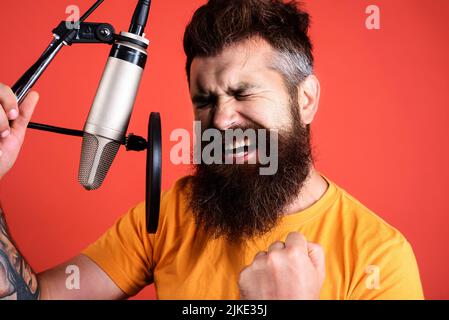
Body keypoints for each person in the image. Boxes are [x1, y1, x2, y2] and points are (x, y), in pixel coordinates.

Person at [0, 0, 423, 300]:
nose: (221, 121)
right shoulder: (173, 214)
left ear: (306, 99)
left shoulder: (379, 257)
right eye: (204, 101)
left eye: (243, 93)